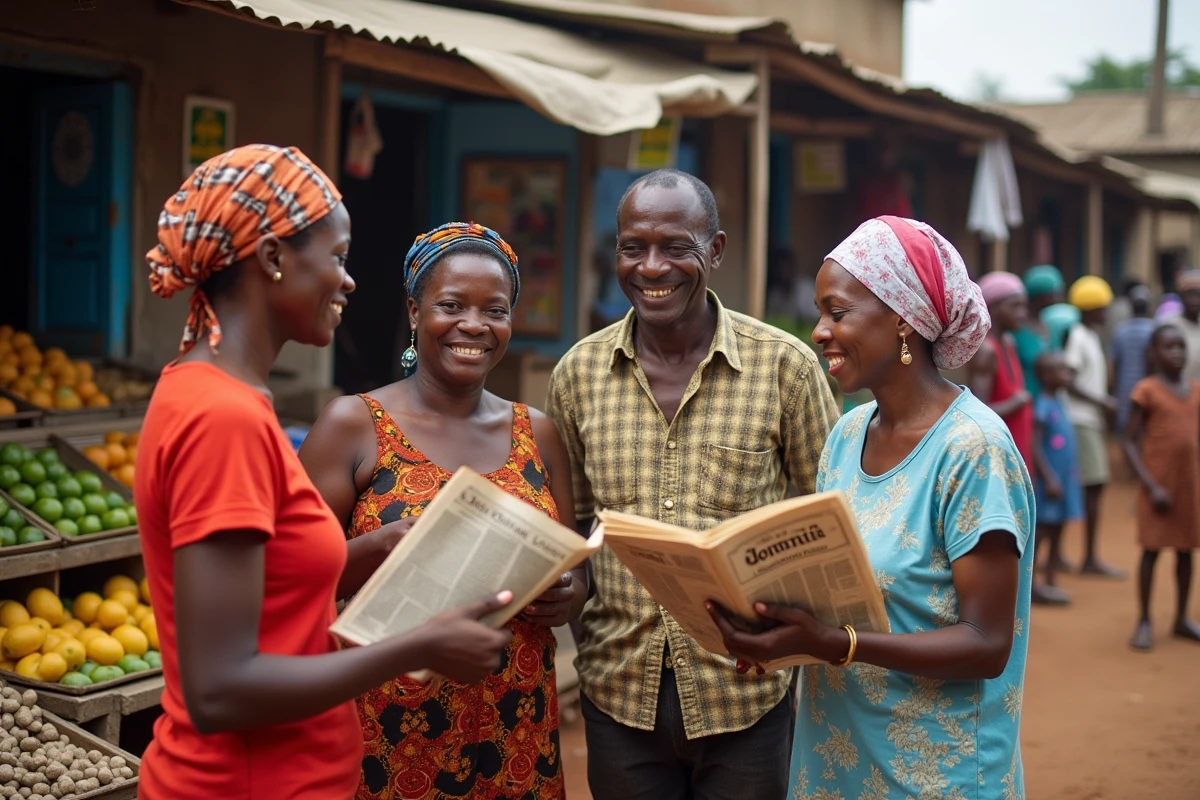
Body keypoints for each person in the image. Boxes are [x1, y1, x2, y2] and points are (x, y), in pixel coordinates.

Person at [135, 145, 514, 800]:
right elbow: (220, 689)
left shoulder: (212, 392)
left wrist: (370, 552)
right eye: (336, 257)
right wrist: (416, 647)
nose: (349, 281)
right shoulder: (222, 417)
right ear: (275, 258)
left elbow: (264, 585)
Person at [706, 215, 1034, 799]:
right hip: (835, 761)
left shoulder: (973, 450)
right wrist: (778, 630)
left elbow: (986, 644)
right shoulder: (848, 433)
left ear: (904, 318)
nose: (819, 331)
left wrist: (837, 644)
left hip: (935, 774)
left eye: (838, 312)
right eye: (820, 313)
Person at [546, 169, 839, 800]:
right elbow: (577, 529)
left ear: (716, 250)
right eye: (633, 247)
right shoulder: (578, 374)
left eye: (676, 246)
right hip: (618, 692)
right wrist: (576, 615)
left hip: (748, 696)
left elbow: (832, 516)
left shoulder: (784, 368)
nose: (652, 267)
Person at [299, 222, 583, 800]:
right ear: (413, 310)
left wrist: (566, 592)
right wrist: (382, 548)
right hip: (388, 721)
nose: (474, 326)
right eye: (451, 305)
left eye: (495, 310)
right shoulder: (352, 426)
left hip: (517, 721)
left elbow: (574, 575)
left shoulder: (540, 434)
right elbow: (292, 580)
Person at [1122, 324, 1200, 651]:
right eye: (1169, 347)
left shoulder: (1195, 390)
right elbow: (1128, 440)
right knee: (1152, 551)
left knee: (1186, 551)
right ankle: (1144, 620)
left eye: (1181, 346)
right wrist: (1151, 486)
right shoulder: (1147, 390)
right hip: (1158, 488)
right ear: (1153, 354)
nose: (1177, 353)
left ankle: (1181, 617)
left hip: (1188, 485)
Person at [1065, 276, 1123, 577]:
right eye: (1102, 307)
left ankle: (1085, 555)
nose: (1106, 312)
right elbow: (1069, 378)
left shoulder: (1089, 335)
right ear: (1089, 309)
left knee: (1094, 487)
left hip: (1090, 420)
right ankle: (1088, 557)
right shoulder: (1078, 336)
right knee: (1093, 485)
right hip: (1081, 419)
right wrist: (1102, 402)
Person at [1030, 350, 1083, 605]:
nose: (1066, 375)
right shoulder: (1042, 405)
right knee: (1043, 530)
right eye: (1061, 370)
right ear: (1046, 376)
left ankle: (1051, 579)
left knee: (1059, 529)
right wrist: (1048, 477)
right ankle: (1033, 585)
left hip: (1064, 480)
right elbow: (1035, 445)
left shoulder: (1059, 401)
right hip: (1051, 482)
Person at [969, 271, 1033, 467]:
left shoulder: (1008, 342)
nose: (1022, 314)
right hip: (997, 457)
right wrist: (1017, 401)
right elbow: (977, 413)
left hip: (1015, 449)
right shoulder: (987, 350)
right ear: (993, 308)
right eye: (1015, 307)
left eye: (1024, 307)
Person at [1108, 284, 1156, 434]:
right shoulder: (1154, 330)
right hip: (1149, 388)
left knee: (1126, 430)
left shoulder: (1120, 331)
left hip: (1124, 389)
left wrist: (1111, 390)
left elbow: (1112, 364)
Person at [1014, 264, 1064, 398]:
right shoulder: (1017, 328)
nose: (1058, 297)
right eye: (1054, 293)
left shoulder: (1050, 324)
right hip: (1024, 399)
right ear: (1040, 295)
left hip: (1049, 405)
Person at [1164, 270, 1200, 384]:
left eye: (1198, 295)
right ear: (1181, 296)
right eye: (1190, 294)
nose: (1195, 300)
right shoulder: (1169, 325)